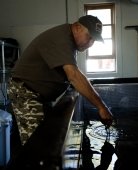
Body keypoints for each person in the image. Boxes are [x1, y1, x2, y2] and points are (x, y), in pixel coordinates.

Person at [7, 15, 116, 145]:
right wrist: (101, 107)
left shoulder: (69, 42)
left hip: (40, 95)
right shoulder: (62, 38)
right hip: (26, 92)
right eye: (89, 37)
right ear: (77, 27)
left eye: (94, 40)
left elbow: (74, 72)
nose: (90, 43)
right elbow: (73, 75)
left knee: (47, 136)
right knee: (36, 144)